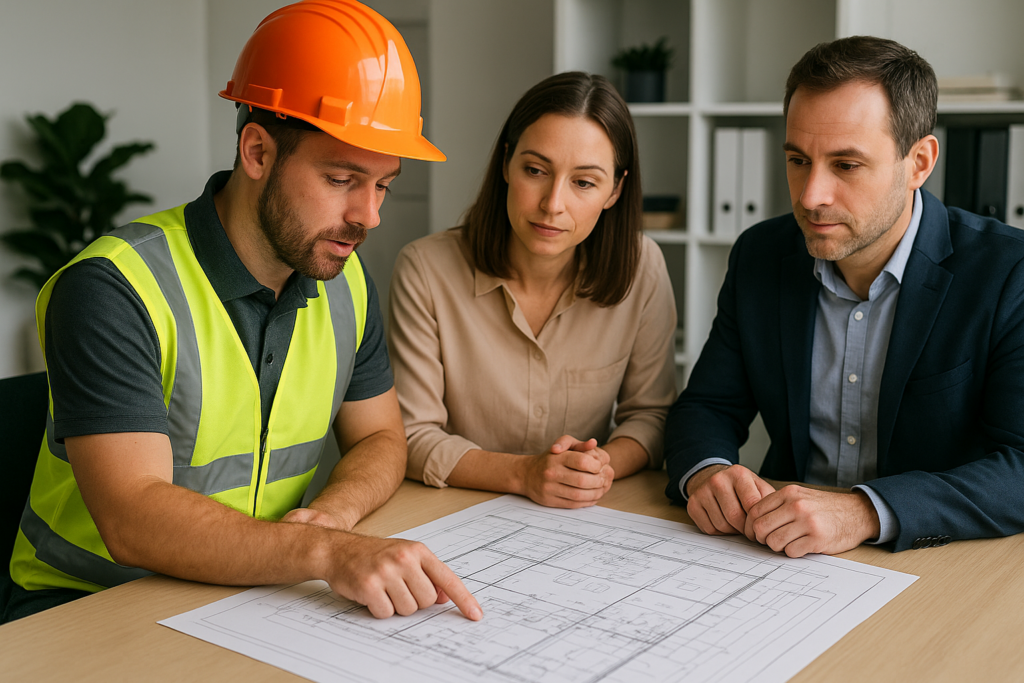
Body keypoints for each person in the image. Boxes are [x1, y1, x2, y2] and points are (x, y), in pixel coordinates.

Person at [5, 0, 481, 624]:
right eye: (342, 179)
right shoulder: (113, 288)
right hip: (83, 606)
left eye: (383, 184)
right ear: (257, 152)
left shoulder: (345, 279)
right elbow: (132, 518)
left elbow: (382, 438)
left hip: (249, 593)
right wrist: (324, 550)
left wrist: (333, 516)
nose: (370, 216)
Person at [665, 35, 1024, 556]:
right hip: (775, 554)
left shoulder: (1008, 271)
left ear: (919, 162)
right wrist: (708, 472)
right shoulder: (760, 255)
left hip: (937, 566)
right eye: (797, 160)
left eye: (846, 165)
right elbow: (706, 407)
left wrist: (865, 511)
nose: (811, 196)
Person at [389, 72, 677, 508]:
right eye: (536, 170)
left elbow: (652, 416)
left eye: (584, 182)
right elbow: (410, 434)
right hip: (452, 512)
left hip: (583, 518)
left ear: (615, 190)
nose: (553, 203)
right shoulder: (425, 270)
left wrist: (597, 468)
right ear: (506, 164)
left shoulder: (643, 267)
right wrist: (524, 474)